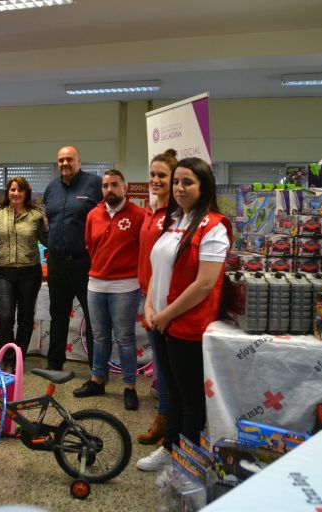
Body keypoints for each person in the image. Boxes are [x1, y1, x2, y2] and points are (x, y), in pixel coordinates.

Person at [136, 157, 231, 472]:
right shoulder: (174, 219)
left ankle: (186, 463)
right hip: (163, 322)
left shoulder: (214, 227)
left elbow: (204, 284)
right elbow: (156, 271)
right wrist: (151, 308)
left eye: (187, 182)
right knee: (172, 392)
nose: (179, 187)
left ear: (203, 186)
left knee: (190, 399)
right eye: (176, 181)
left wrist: (166, 315)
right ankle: (170, 449)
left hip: (187, 326)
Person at [72, 170, 145, 410]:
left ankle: (129, 387)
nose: (109, 189)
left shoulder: (139, 215)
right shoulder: (93, 214)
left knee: (124, 338)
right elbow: (90, 246)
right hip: (96, 284)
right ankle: (97, 380)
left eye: (114, 185)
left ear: (125, 187)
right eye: (105, 186)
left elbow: (144, 251)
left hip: (126, 286)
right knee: (100, 337)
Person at [43, 146, 102, 371]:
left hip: (84, 262)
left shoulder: (94, 184)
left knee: (92, 317)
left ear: (79, 160)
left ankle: (96, 370)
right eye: (61, 160)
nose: (65, 164)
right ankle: (54, 363)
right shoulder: (51, 189)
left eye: (69, 159)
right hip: (57, 262)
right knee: (57, 314)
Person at [136, 149, 179, 445]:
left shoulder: (176, 216)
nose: (155, 180)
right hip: (147, 295)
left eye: (162, 175)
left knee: (168, 369)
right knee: (163, 367)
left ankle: (167, 421)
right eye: (152, 174)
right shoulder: (151, 211)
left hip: (167, 301)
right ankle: (168, 419)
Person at [0, 176, 48, 373]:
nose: (16, 193)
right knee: (5, 317)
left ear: (26, 193)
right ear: (8, 192)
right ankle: (7, 357)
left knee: (25, 318)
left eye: (20, 190)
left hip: (30, 272)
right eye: (12, 189)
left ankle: (18, 358)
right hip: (3, 272)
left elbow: (47, 240)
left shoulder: (36, 215)